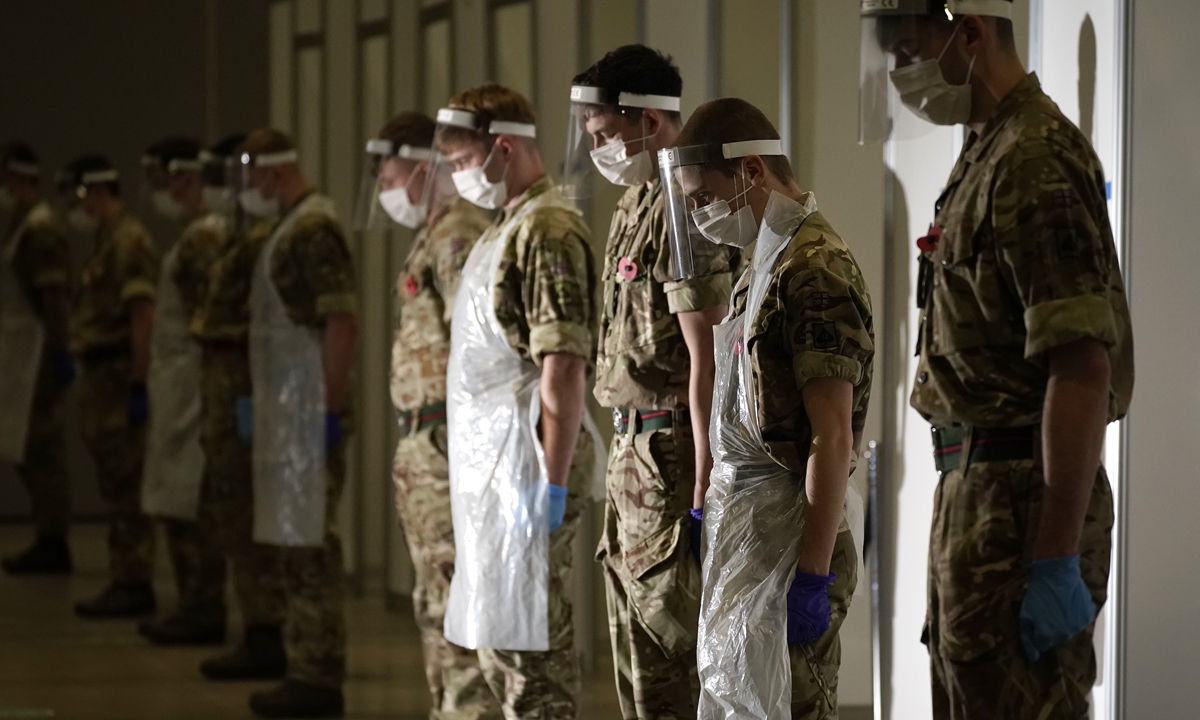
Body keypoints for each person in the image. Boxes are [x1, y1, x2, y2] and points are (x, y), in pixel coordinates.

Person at [859, 2, 1134, 717]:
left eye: (910, 51)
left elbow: (1080, 367)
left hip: (1019, 503)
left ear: (969, 33)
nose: (899, 74)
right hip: (975, 494)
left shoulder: (1035, 156)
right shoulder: (986, 152)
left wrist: (1054, 556)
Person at [660, 98, 873, 719]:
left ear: (750, 171)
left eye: (703, 198)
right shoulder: (769, 257)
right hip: (755, 539)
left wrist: (809, 577)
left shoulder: (815, 269)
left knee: (792, 702)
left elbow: (831, 438)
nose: (698, 217)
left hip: (792, 546)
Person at [566, 45, 732, 719]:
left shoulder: (685, 205)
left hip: (671, 454)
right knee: (634, 653)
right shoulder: (635, 202)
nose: (600, 150)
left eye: (606, 135)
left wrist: (703, 479)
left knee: (670, 653)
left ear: (646, 120)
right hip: (633, 453)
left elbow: (709, 356)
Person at [436, 84, 603, 720]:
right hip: (494, 469)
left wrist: (552, 483)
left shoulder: (548, 229)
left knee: (533, 658)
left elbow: (562, 365)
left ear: (502, 148)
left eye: (461, 164)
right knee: (501, 648)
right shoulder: (504, 226)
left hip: (528, 466)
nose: (458, 179)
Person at [356, 112, 500, 719]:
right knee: (435, 600)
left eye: (390, 177)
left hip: (448, 444)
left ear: (422, 167)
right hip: (426, 444)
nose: (387, 193)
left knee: (456, 601)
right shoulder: (436, 232)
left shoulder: (458, 235)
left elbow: (482, 349)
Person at [239, 129, 359, 719]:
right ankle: (300, 661)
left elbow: (341, 322)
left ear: (274, 172)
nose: (246, 190)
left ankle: (317, 674)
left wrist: (328, 411)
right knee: (291, 540)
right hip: (287, 409)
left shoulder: (313, 230)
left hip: (310, 409)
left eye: (250, 176)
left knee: (310, 542)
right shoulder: (285, 227)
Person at [190, 134, 289, 682]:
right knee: (228, 511)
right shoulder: (235, 238)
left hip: (242, 386)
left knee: (247, 516)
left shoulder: (262, 239)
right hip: (223, 384)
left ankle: (264, 631)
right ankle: (256, 626)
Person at [60, 154, 161, 618]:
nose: (72, 206)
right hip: (101, 378)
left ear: (97, 192)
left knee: (126, 484)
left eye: (77, 196)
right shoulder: (107, 240)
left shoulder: (128, 241)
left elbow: (142, 316)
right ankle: (125, 575)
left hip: (120, 375)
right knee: (112, 481)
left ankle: (135, 578)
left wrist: (139, 383)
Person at [137, 136, 228, 645]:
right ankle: (194, 600)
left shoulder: (203, 239)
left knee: (187, 493)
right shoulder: (191, 235)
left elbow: (205, 316)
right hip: (175, 376)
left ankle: (201, 603)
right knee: (173, 491)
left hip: (190, 379)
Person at [0, 142, 75, 575]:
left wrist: (61, 350)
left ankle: (53, 537)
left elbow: (54, 295)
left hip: (39, 350)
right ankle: (44, 530)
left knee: (43, 448)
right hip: (20, 348)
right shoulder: (20, 224)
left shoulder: (41, 229)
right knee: (26, 446)